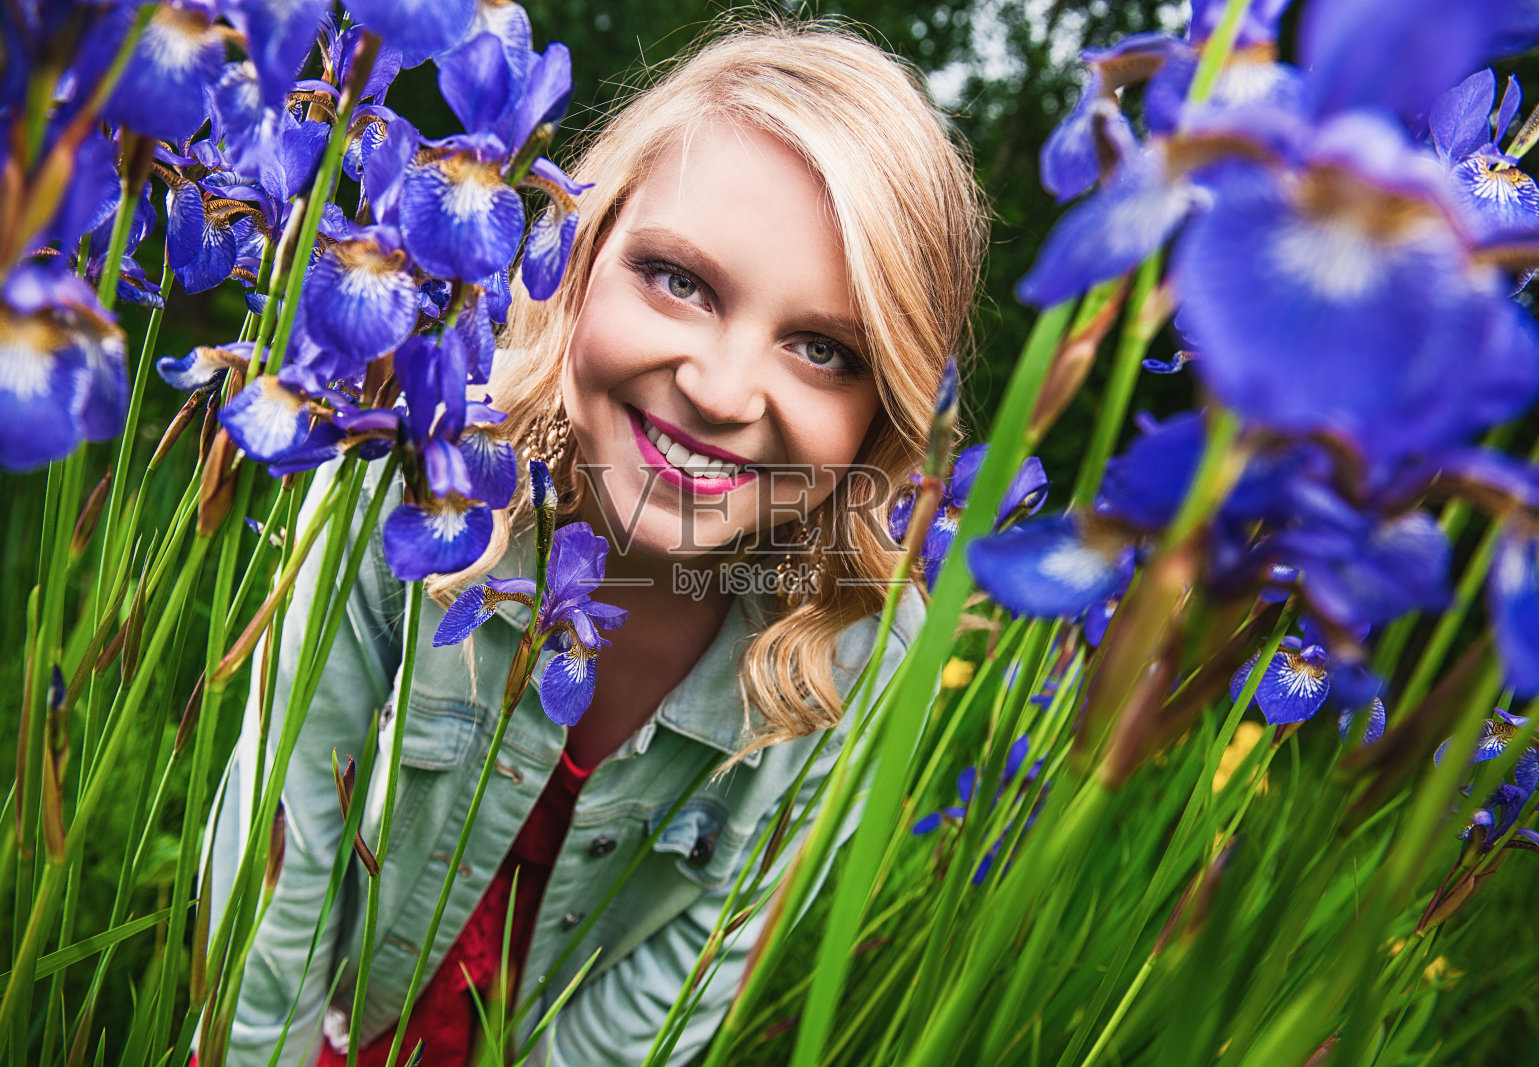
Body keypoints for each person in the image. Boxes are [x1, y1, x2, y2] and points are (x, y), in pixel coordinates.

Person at [202, 18, 987, 1067]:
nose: (718, 388)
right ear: (567, 254)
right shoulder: (413, 478)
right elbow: (277, 862)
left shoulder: (848, 649)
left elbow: (693, 967)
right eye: (679, 279)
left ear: (883, 414)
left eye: (820, 347)